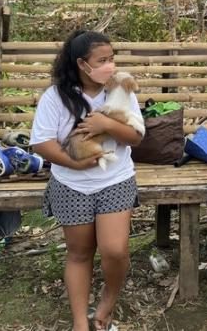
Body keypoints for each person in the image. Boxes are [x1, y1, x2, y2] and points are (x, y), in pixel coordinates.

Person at [30, 30, 144, 331]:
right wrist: (74, 163)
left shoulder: (120, 89)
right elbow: (41, 142)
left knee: (115, 250)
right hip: (71, 184)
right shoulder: (56, 96)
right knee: (79, 253)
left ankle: (108, 299)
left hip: (115, 179)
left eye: (112, 58)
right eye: (102, 60)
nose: (110, 65)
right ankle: (81, 322)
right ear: (82, 63)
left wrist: (106, 123)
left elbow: (137, 136)